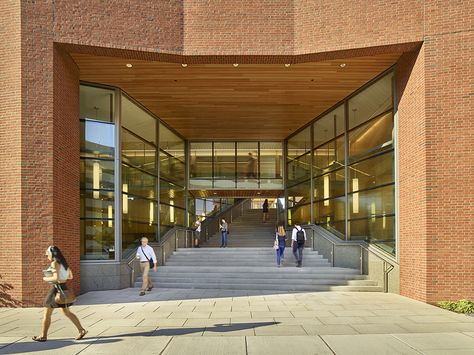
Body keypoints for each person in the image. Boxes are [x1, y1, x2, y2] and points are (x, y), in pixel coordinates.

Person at [32, 246, 87, 342]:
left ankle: (43, 336)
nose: (46, 256)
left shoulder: (54, 263)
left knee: (47, 314)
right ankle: (81, 330)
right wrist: (62, 279)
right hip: (64, 288)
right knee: (67, 312)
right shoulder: (64, 263)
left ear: (52, 254)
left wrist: (45, 278)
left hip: (55, 289)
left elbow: (55, 278)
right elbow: (70, 276)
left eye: (47, 254)